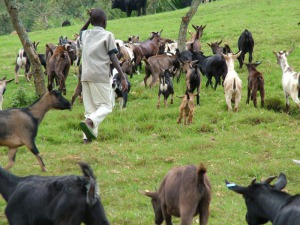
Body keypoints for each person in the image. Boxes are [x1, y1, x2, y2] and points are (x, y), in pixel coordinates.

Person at [79, 8, 128, 144]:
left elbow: (81, 31)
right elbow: (113, 57)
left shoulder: (86, 34)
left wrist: (90, 19)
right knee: (107, 106)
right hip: (99, 75)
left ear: (92, 21)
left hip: (85, 76)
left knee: (90, 110)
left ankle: (86, 140)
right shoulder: (108, 35)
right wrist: (123, 77)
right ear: (104, 21)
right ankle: (89, 122)